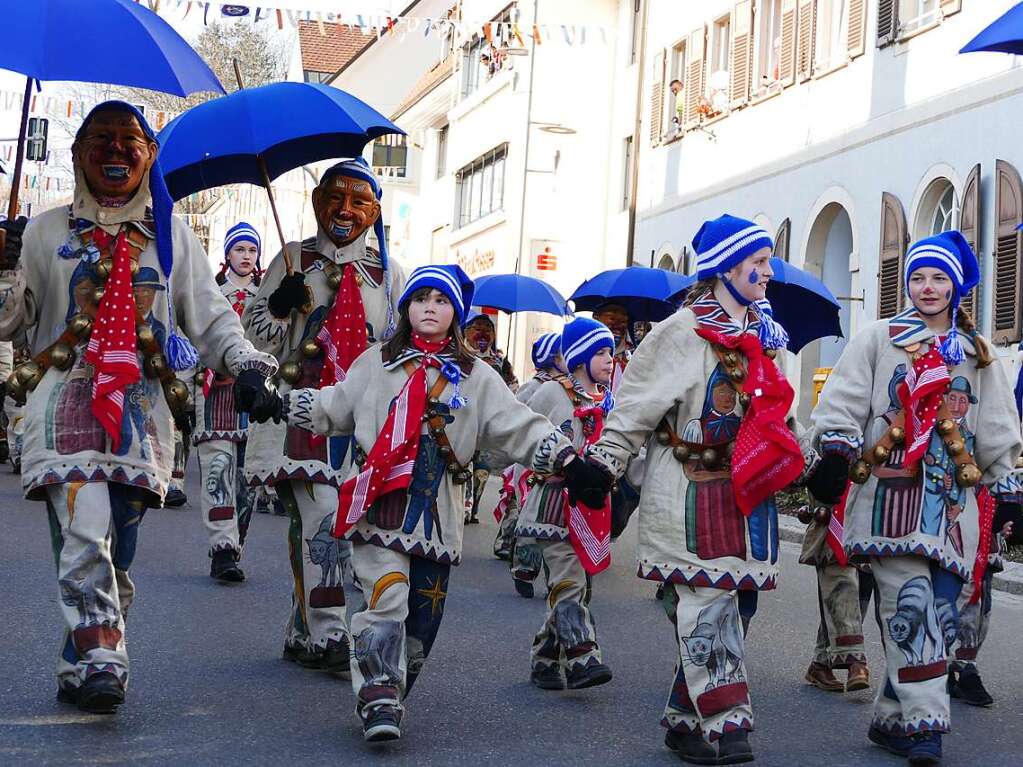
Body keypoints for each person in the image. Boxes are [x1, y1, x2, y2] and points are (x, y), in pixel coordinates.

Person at [0, 102, 279, 714]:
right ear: (78, 154)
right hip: (60, 410)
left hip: (141, 420)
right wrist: (4, 263)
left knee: (114, 547)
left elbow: (212, 317)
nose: (116, 150)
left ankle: (79, 659)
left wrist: (247, 367)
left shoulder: (173, 236)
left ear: (150, 155)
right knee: (83, 527)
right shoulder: (46, 232)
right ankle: (104, 657)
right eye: (100, 139)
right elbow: (8, 321)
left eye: (130, 140)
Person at [251, 265, 603, 742]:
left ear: (455, 312)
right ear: (407, 309)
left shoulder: (477, 376)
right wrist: (280, 404)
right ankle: (378, 694)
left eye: (441, 300)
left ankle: (393, 686)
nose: (430, 307)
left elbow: (519, 425)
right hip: (378, 501)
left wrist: (569, 460)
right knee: (387, 595)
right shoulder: (376, 362)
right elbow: (336, 405)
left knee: (423, 619)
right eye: (421, 299)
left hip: (438, 513)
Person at [581, 214, 818, 765]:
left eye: (766, 263)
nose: (767, 273)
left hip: (748, 497)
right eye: (757, 264)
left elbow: (776, 411)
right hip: (688, 490)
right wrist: (604, 464)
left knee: (741, 608)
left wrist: (811, 462)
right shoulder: (679, 331)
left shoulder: (763, 334)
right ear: (726, 267)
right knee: (705, 604)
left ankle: (686, 721)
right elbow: (635, 405)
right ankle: (724, 722)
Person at [811, 230, 1023, 765]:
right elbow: (843, 400)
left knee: (944, 616)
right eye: (918, 277)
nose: (927, 287)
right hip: (890, 500)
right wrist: (835, 452)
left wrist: (1008, 486)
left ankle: (890, 717)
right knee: (913, 605)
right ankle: (928, 725)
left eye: (938, 278)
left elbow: (996, 423)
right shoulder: (880, 338)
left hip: (954, 506)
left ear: (956, 286)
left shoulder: (978, 352)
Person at [243, 158, 406, 676]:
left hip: (361, 419)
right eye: (335, 197)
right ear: (316, 202)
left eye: (359, 201)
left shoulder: (388, 273)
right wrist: (278, 308)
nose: (345, 210)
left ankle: (302, 627)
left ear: (374, 211)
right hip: (301, 412)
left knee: (347, 521)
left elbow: (399, 346)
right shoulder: (293, 259)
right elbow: (254, 336)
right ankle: (331, 630)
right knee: (319, 519)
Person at [515, 317, 616, 691]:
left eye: (611, 353)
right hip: (553, 505)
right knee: (569, 579)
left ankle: (545, 657)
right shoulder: (552, 394)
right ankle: (581, 656)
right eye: (601, 353)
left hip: (588, 508)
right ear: (578, 358)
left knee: (576, 585)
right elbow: (527, 435)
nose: (610, 360)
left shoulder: (604, 400)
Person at [193, 222, 264, 581]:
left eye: (252, 250)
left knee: (248, 478)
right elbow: (195, 336)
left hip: (258, 396)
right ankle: (222, 549)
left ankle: (236, 543)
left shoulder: (269, 296)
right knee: (218, 470)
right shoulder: (211, 293)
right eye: (240, 249)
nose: (246, 256)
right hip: (217, 390)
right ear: (227, 254)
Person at [493, 331, 565, 561]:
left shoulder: (566, 388)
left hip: (551, 457)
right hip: (529, 459)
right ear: (553, 358)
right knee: (519, 502)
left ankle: (533, 551)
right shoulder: (535, 386)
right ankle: (509, 542)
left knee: (537, 506)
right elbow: (518, 411)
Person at [463, 309, 518, 523]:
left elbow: (513, 386)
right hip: (465, 421)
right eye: (478, 329)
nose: (483, 334)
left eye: (488, 330)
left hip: (488, 425)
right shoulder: (459, 357)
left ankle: (473, 506)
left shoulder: (500, 362)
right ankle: (463, 507)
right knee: (463, 466)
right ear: (466, 332)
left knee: (482, 471)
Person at [592, 302, 632, 395]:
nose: (618, 325)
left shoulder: (629, 357)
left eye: (623, 321)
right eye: (612, 318)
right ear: (596, 318)